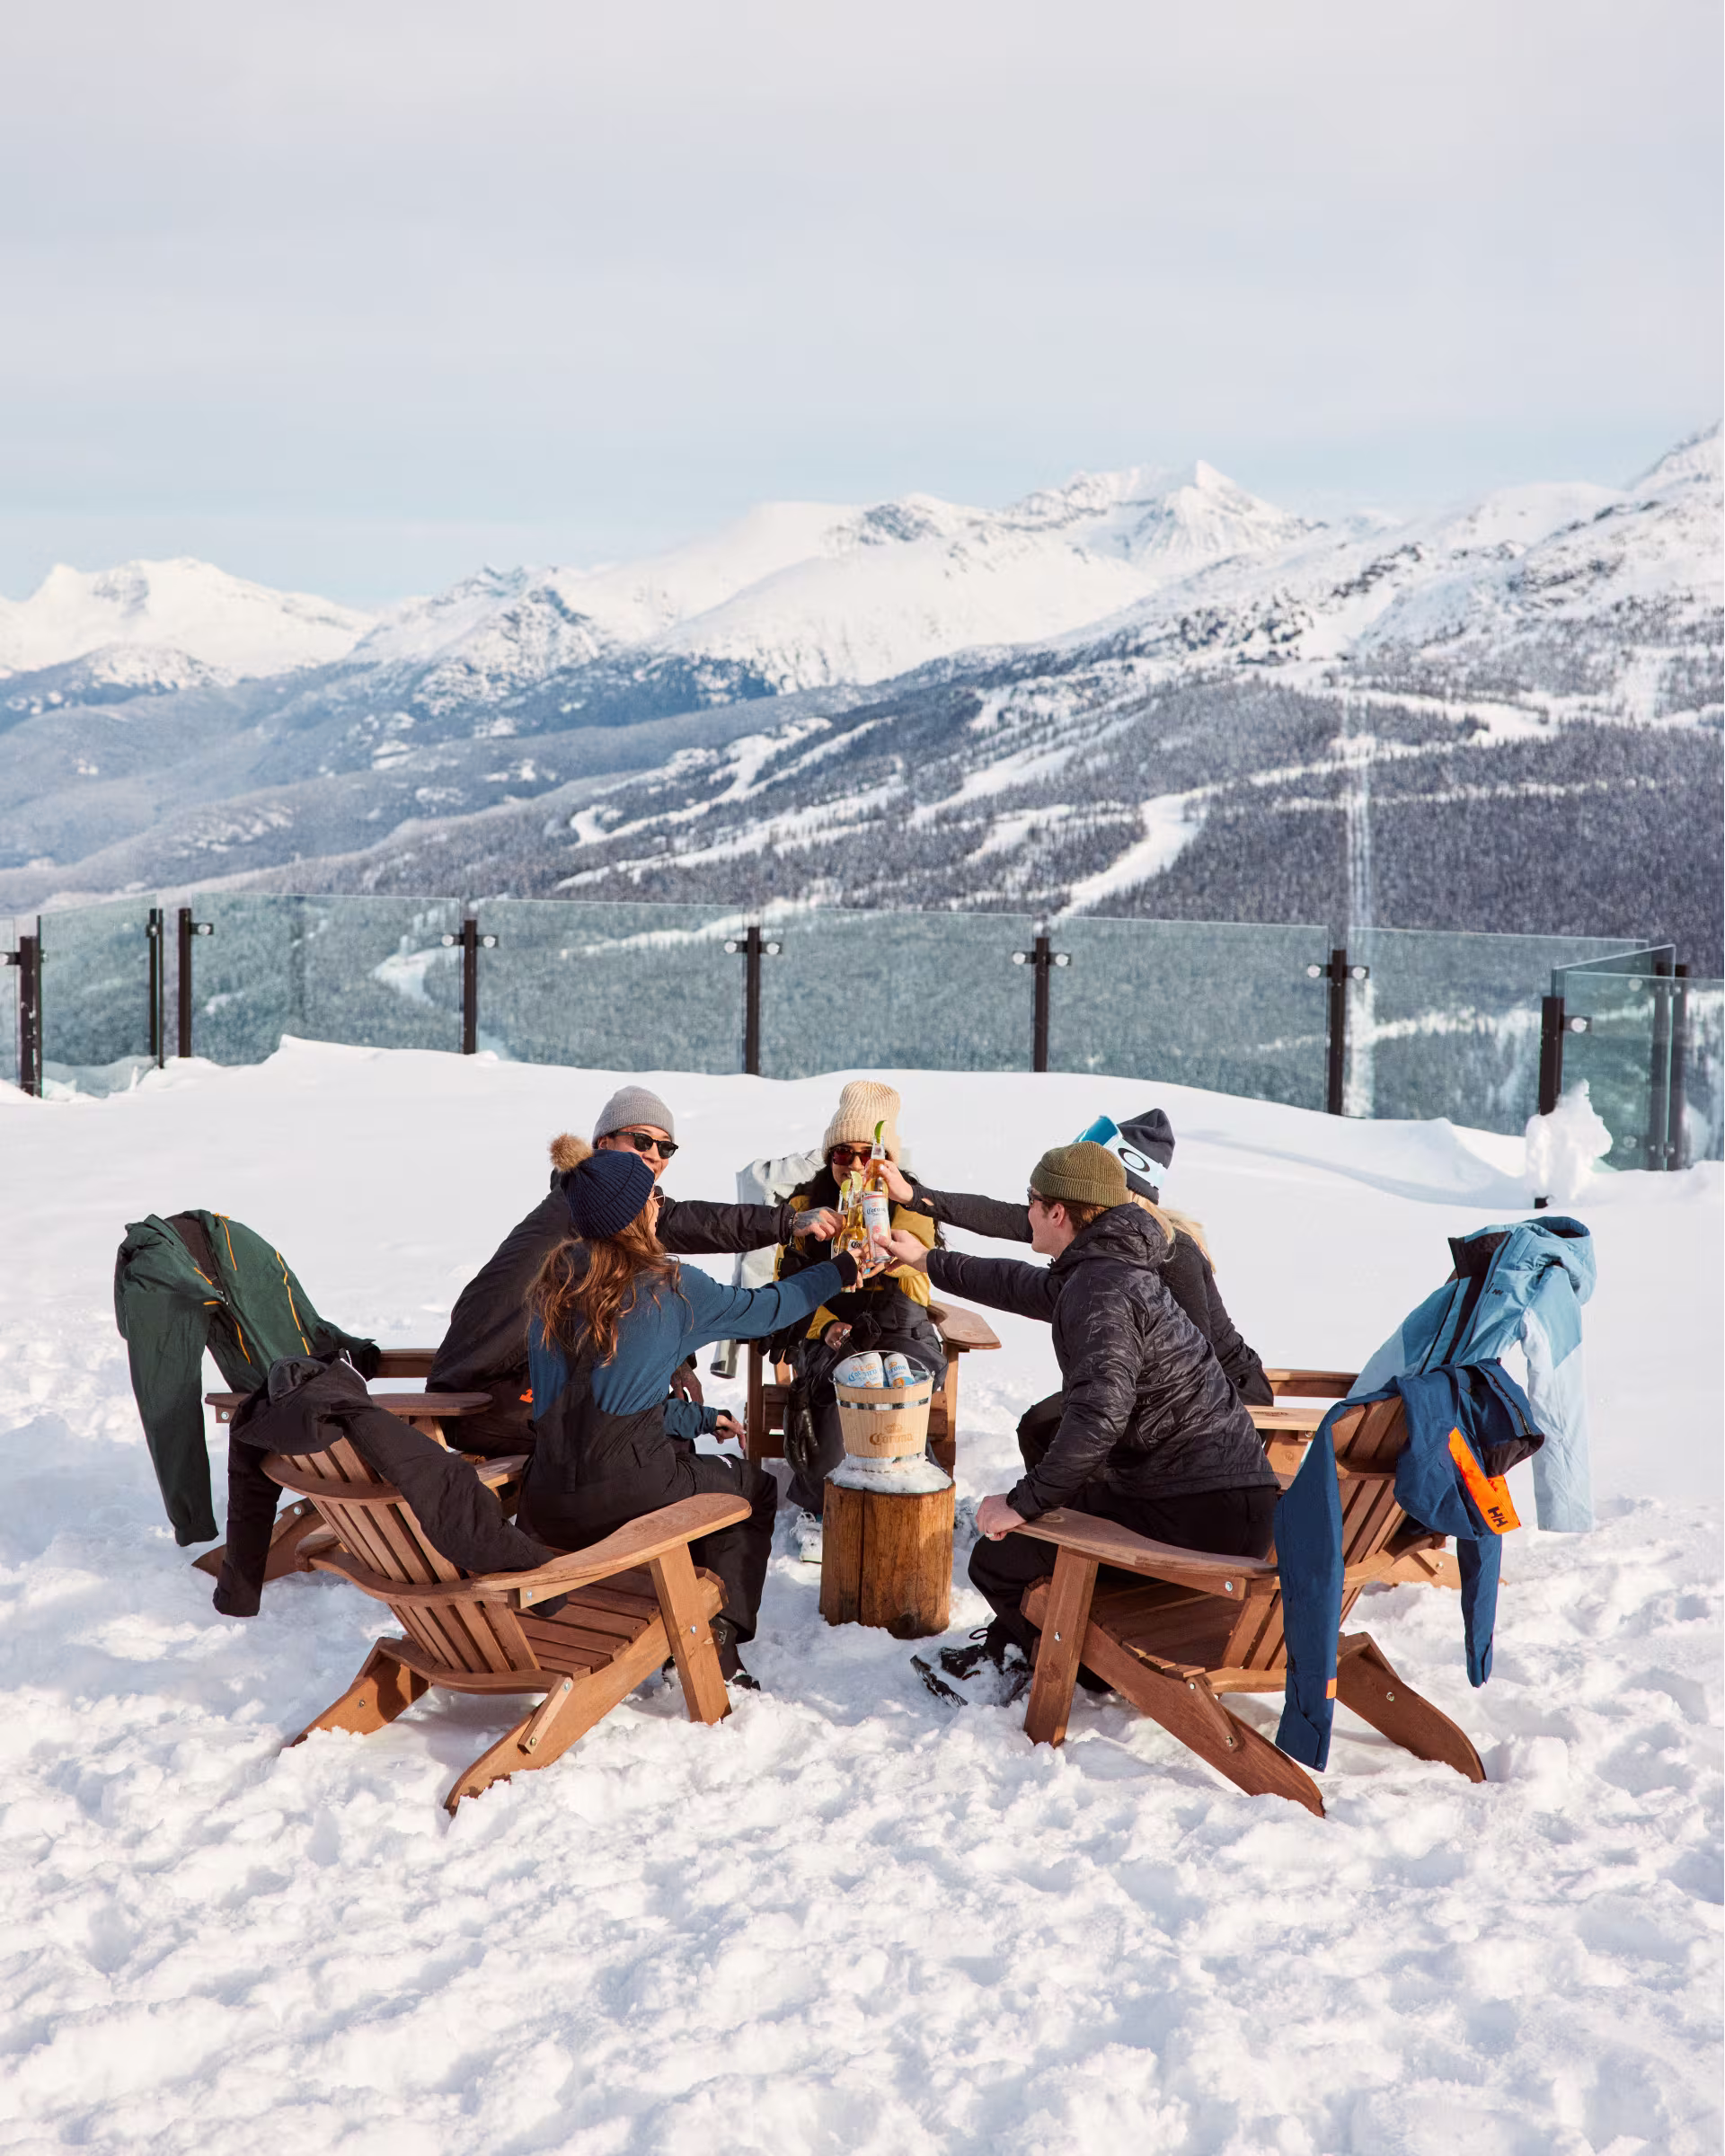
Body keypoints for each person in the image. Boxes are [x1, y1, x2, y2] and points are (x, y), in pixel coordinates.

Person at [879, 1141, 1279, 1692]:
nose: (1026, 1215)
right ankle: (1030, 1643)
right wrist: (926, 1260)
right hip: (1221, 1501)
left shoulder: (1102, 1288)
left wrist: (1023, 1503)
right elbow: (1023, 1286)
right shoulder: (1109, 1268)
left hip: (1196, 1517)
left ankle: (1062, 1665)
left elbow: (1099, 1416)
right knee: (1048, 1492)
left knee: (1001, 1557)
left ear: (1057, 1213)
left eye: (1031, 1204)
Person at [521, 1145, 867, 1691]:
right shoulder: (671, 1288)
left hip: (542, 1503)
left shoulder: (552, 1286)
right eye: (652, 1197)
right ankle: (716, 1644)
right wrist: (840, 1270)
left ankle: (681, 1620)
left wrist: (700, 1420)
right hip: (621, 1499)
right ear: (637, 1216)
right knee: (749, 1492)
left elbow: (600, 1406)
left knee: (690, 1470)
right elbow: (769, 1309)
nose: (660, 1203)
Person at [427, 1084, 838, 1454]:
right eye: (640, 1140)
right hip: (485, 1400)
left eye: (666, 1148)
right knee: (648, 1440)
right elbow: (686, 1227)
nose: (653, 1155)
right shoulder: (585, 1215)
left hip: (511, 1390)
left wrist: (676, 1364)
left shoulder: (596, 1209)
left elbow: (643, 1288)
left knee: (653, 1427)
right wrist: (791, 1227)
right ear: (602, 1143)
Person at [765, 1081, 944, 1538]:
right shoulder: (806, 1208)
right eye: (843, 1154)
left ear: (888, 1159)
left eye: (868, 1154)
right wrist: (825, 1326)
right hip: (830, 1327)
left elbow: (924, 1281)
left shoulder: (910, 1205)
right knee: (846, 1376)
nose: (855, 1165)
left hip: (899, 1326)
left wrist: (891, 1253)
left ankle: (907, 1503)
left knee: (895, 1374)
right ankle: (824, 1505)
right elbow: (786, 1285)